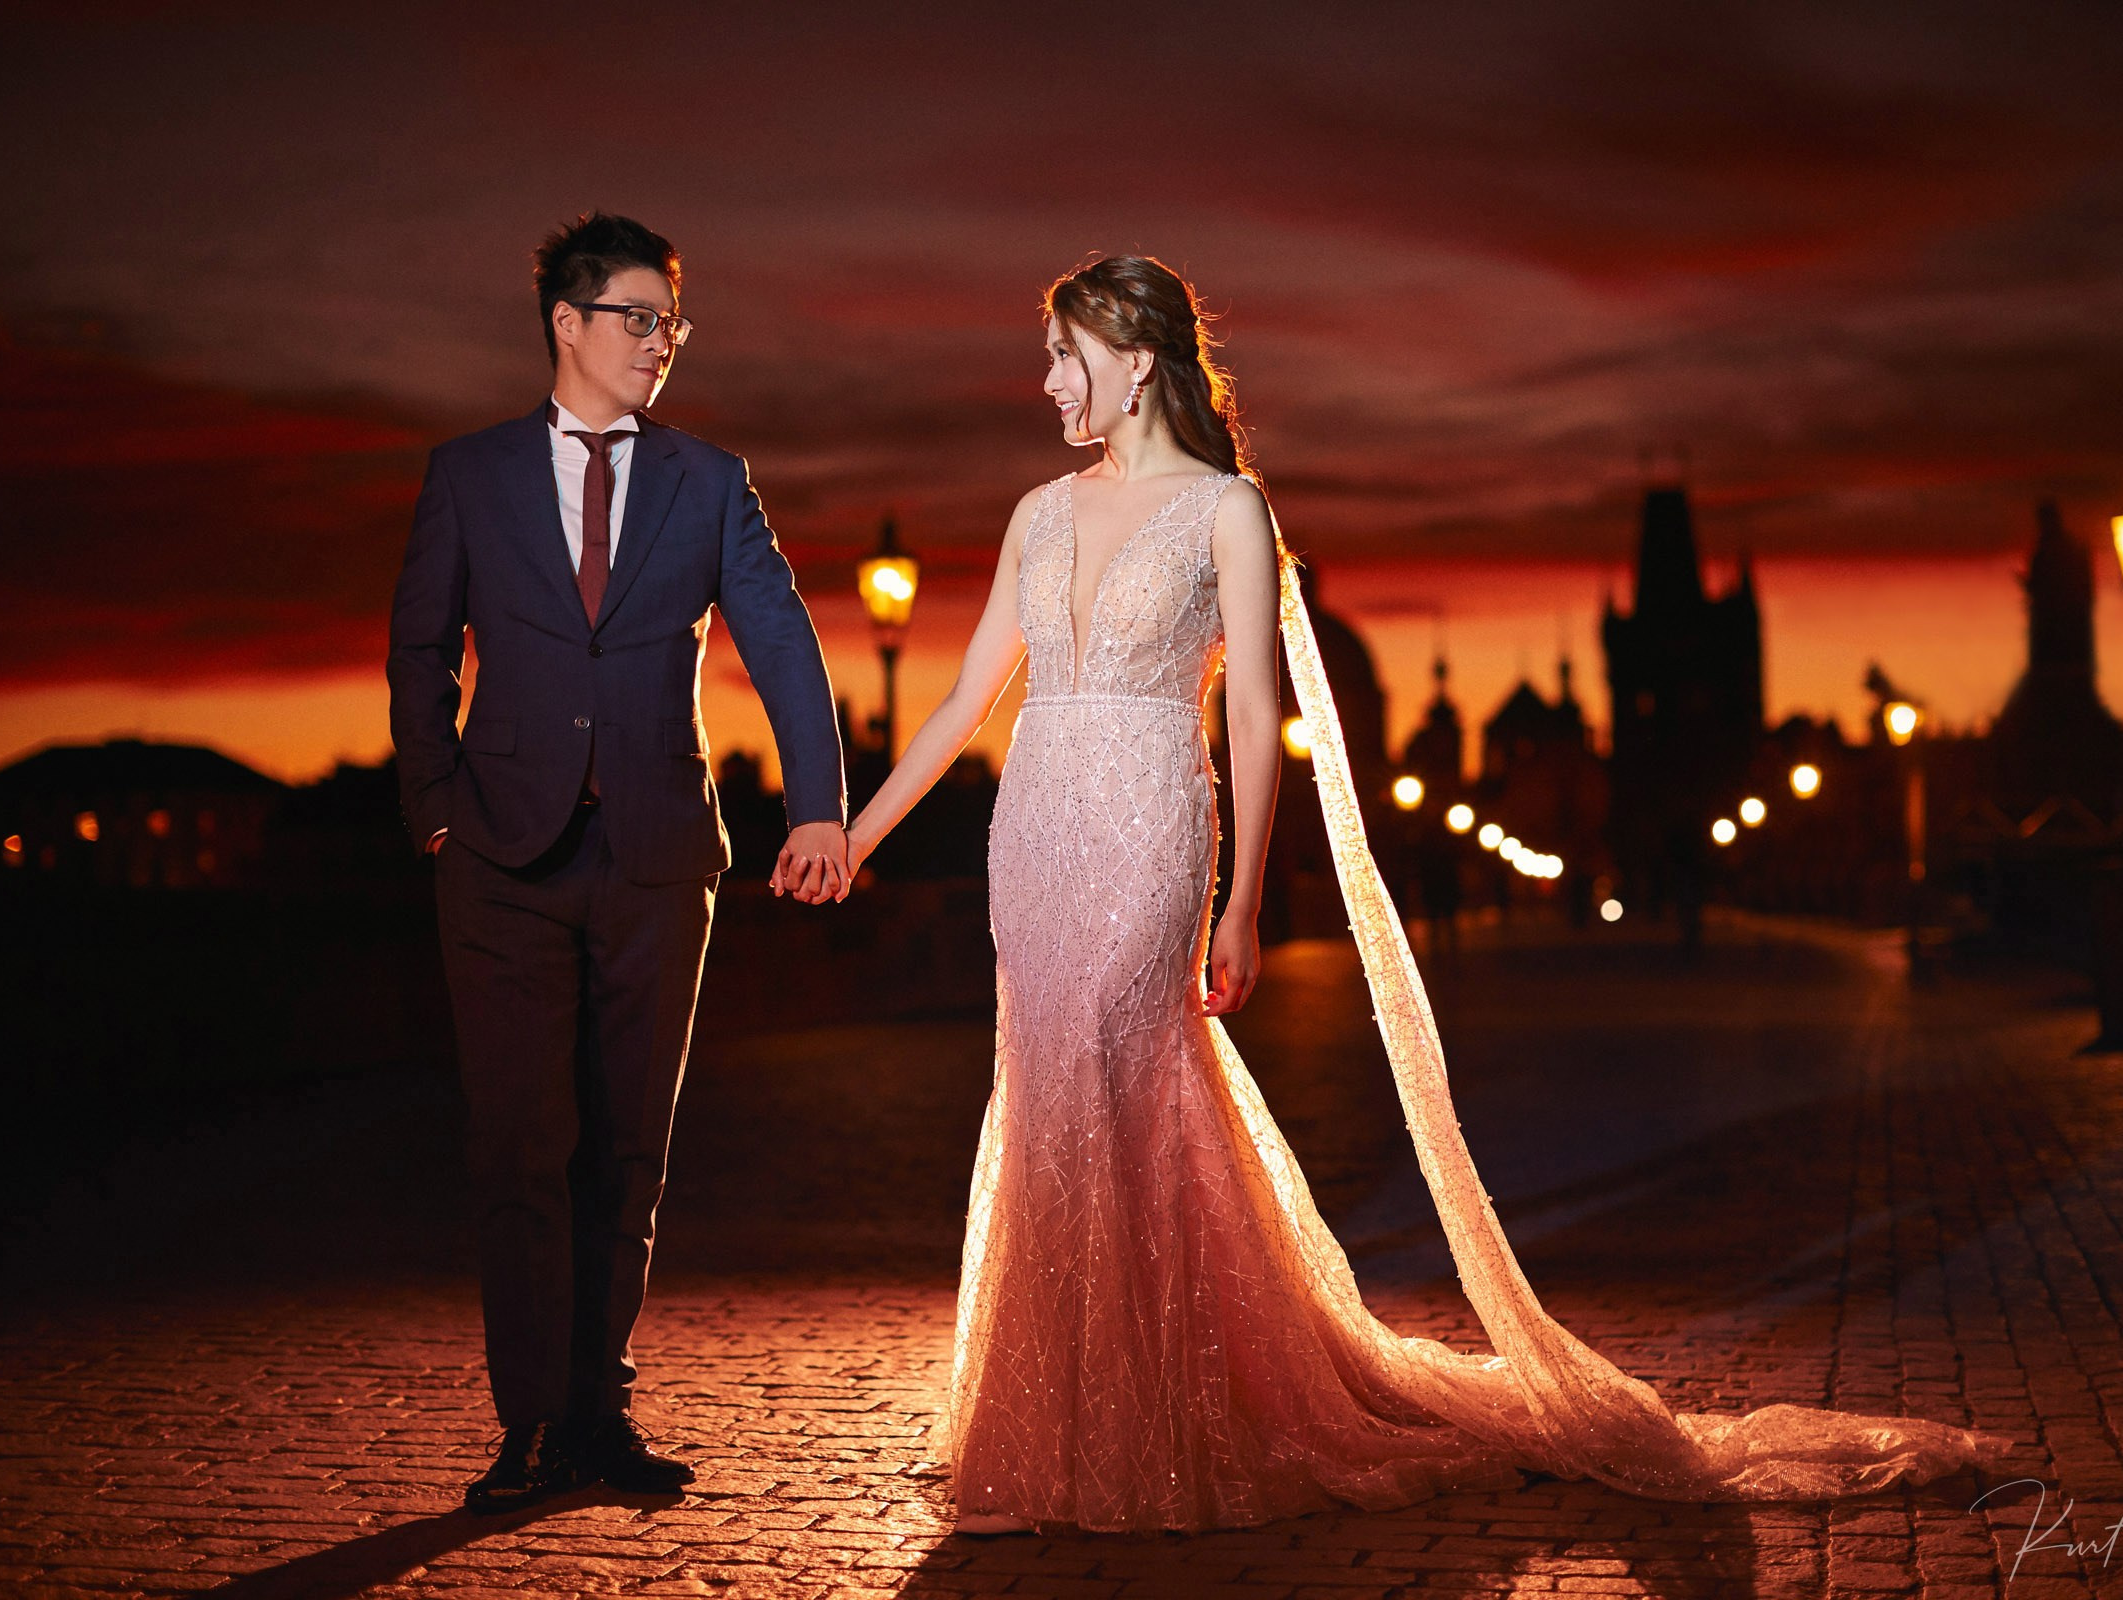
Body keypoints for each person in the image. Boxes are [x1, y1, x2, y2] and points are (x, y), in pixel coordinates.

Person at [840, 255, 2017, 1534]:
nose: (1049, 380)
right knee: (1052, 1091)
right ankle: (1056, 1421)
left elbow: (1251, 713)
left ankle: (1164, 1418)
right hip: (1035, 839)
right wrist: (855, 837)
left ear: (1134, 360)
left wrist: (1234, 903)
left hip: (1147, 833)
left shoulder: (1229, 512)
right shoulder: (1035, 513)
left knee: (1128, 1082)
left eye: (1067, 355)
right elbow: (966, 704)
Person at [386, 213, 853, 1514]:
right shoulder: (469, 475)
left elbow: (786, 646)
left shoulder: (712, 481)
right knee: (519, 1147)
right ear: (569, 325)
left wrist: (816, 808)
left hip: (658, 856)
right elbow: (419, 645)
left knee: (629, 1155)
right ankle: (530, 1423)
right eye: (638, 318)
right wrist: (434, 804)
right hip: (498, 858)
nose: (661, 343)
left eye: (672, 323)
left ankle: (600, 1415)